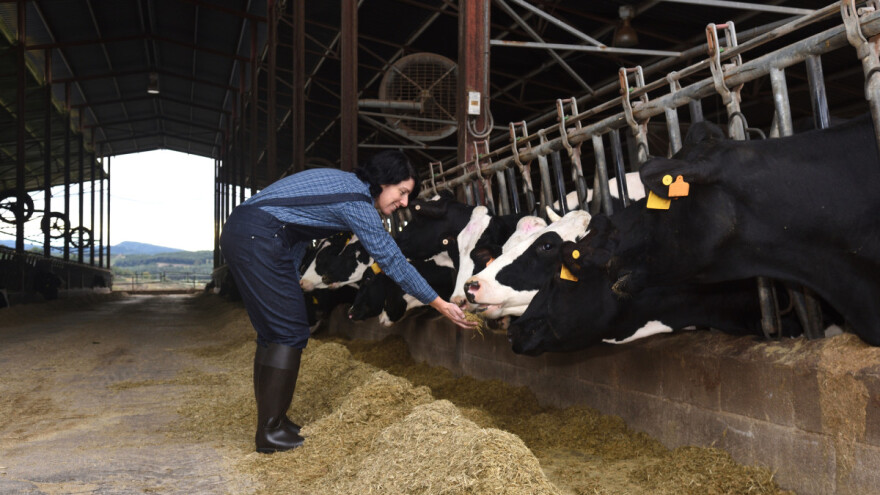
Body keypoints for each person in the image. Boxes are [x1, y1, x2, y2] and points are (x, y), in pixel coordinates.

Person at [219, 150, 476, 454]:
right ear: (383, 182)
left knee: (274, 334)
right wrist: (439, 303)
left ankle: (275, 422)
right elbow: (392, 260)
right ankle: (270, 431)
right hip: (259, 237)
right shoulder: (355, 199)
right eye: (402, 192)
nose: (405, 202)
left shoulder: (343, 184)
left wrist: (287, 274)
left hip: (249, 232)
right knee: (289, 332)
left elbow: (295, 231)